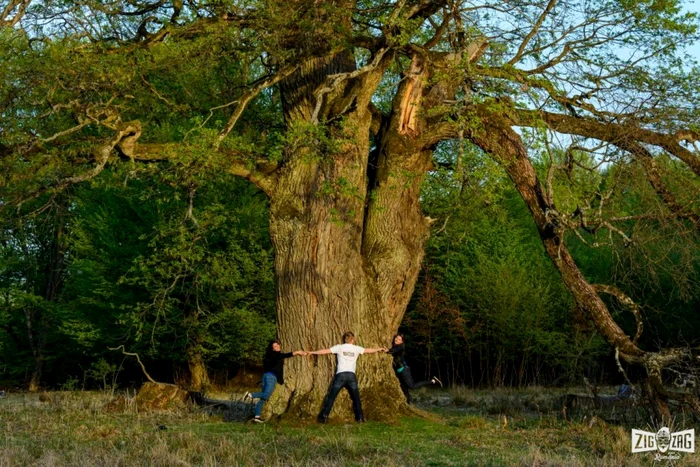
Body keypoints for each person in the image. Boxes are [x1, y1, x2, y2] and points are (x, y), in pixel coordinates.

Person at [307, 331, 387, 423]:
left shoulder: (339, 347)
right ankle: (360, 418)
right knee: (356, 398)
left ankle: (324, 417)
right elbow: (368, 350)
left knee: (331, 397)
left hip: (340, 375)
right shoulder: (356, 348)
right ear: (353, 340)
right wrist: (378, 349)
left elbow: (325, 351)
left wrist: (312, 352)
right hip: (351, 375)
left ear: (345, 339)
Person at [244, 340, 306, 423]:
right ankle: (249, 395)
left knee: (263, 398)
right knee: (266, 395)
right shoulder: (275, 355)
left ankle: (257, 416)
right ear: (272, 349)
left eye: (278, 345)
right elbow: (285, 355)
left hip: (265, 376)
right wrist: (297, 352)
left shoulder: (269, 356)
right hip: (271, 377)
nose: (278, 347)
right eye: (275, 346)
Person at [387, 333, 441, 404]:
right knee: (404, 389)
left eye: (399, 339)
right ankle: (408, 403)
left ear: (402, 341)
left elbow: (392, 351)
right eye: (396, 338)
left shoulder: (400, 347)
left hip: (404, 370)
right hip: (399, 372)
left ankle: (432, 381)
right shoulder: (395, 346)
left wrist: (386, 350)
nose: (397, 339)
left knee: (412, 386)